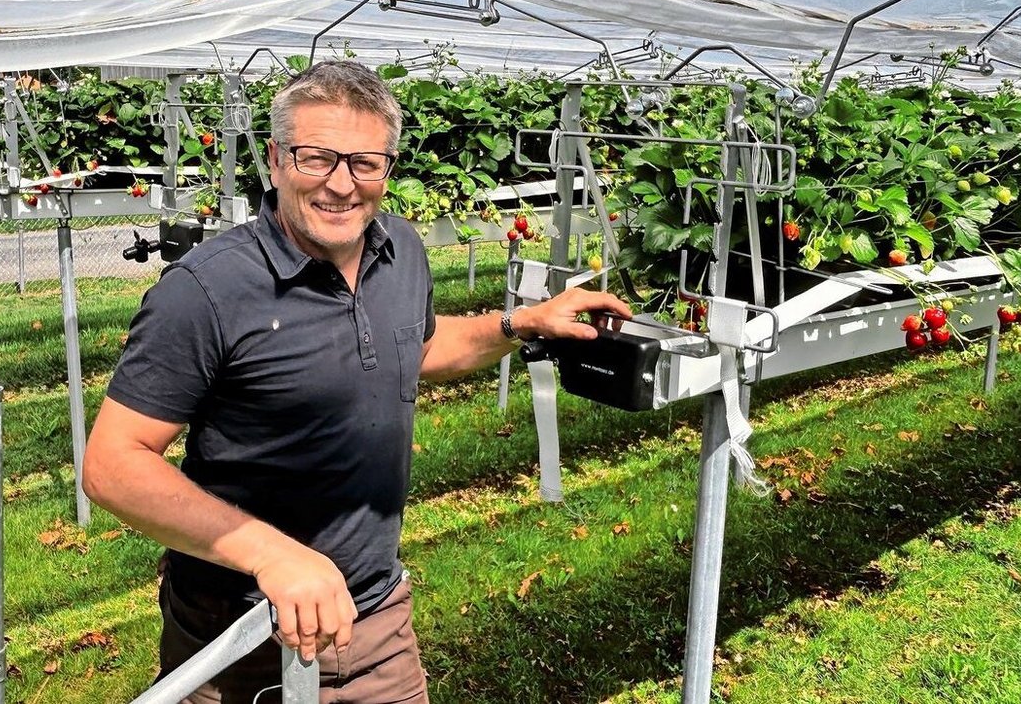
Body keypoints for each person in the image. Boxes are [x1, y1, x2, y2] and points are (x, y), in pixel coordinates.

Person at [82, 60, 631, 703]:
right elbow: (113, 463)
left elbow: (415, 344)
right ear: (276, 160)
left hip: (376, 624)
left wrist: (520, 323)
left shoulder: (400, 249)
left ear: (387, 171)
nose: (342, 185)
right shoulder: (206, 292)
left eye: (366, 163)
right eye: (317, 158)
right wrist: (272, 555)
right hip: (241, 636)